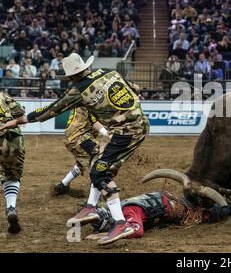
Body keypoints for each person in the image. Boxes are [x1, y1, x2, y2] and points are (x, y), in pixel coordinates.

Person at [0, 53, 150, 246]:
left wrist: (15, 121)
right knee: (98, 163)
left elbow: (48, 112)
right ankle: (90, 206)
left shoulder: (79, 90)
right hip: (137, 125)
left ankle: (121, 222)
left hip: (125, 132)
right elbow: (135, 89)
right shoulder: (108, 72)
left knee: (99, 172)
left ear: (71, 76)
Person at [89, 191, 231, 239]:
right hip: (167, 204)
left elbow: (136, 230)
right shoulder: (120, 209)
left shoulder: (128, 212)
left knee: (203, 216)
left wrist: (106, 236)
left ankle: (230, 204)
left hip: (172, 207)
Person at [53, 107, 108, 196]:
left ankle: (63, 185)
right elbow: (94, 121)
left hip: (75, 136)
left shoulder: (83, 101)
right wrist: (108, 134)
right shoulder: (91, 102)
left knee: (83, 161)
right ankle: (94, 201)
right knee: (98, 159)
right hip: (79, 137)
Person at [0, 91, 25, 234]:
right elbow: (19, 112)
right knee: (12, 175)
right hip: (13, 138)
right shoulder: (2, 95)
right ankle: (11, 207)